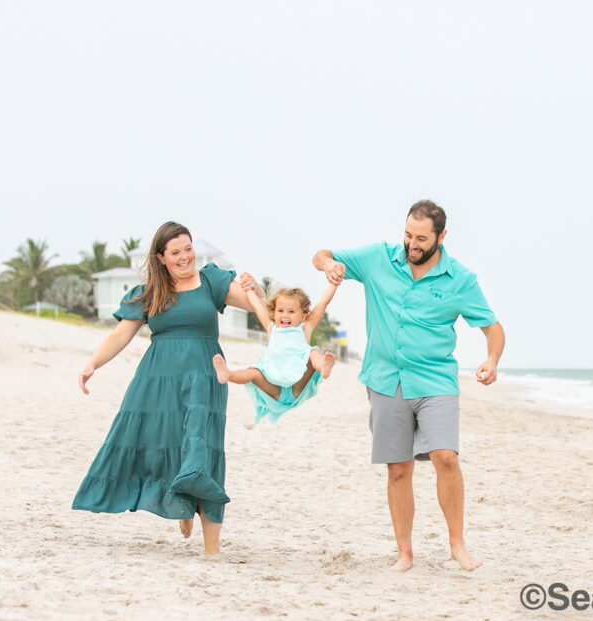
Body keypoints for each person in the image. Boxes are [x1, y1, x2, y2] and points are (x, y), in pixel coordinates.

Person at [313, 200, 505, 572]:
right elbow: (320, 255)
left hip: (435, 380)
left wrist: (492, 359)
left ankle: (457, 545)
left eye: (421, 238)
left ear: (441, 237)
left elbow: (492, 327)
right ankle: (405, 553)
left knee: (446, 457)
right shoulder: (378, 258)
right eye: (407, 235)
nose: (412, 244)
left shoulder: (461, 280)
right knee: (398, 468)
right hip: (386, 380)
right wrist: (330, 266)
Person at [72, 221, 260, 555]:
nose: (185, 257)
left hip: (206, 375)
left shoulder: (211, 281)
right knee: (163, 443)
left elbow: (256, 303)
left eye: (188, 249)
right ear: (161, 257)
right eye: (176, 252)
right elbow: (120, 335)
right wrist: (93, 364)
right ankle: (181, 503)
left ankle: (212, 548)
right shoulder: (149, 293)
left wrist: (254, 288)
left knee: (203, 448)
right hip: (158, 379)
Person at [212, 277, 338, 423]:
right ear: (274, 312)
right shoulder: (272, 328)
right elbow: (258, 307)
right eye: (280, 310)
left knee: (312, 352)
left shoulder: (305, 328)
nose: (285, 315)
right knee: (254, 373)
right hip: (274, 388)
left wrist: (333, 283)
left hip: (297, 385)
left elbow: (322, 303)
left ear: (303, 315)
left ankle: (322, 365)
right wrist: (248, 290)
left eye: (291, 311)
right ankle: (229, 375)